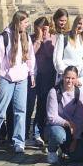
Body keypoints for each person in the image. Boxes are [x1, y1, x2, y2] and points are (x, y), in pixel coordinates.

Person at [0, 11, 36, 156]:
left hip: (22, 80)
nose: (27, 24)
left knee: (20, 112)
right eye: (25, 22)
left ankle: (19, 141)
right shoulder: (4, 37)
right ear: (18, 22)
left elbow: (30, 57)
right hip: (6, 79)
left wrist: (31, 74)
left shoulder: (26, 37)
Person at [45, 65, 83, 165]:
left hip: (72, 129)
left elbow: (79, 119)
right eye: (67, 77)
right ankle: (52, 150)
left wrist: (75, 139)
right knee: (58, 135)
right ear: (63, 77)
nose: (69, 81)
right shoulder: (54, 92)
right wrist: (67, 123)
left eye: (73, 78)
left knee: (78, 156)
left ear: (76, 79)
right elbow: (51, 117)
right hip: (55, 126)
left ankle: (64, 149)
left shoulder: (79, 93)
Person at [28, 16, 55, 149]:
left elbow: (51, 55)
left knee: (43, 104)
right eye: (38, 29)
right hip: (32, 76)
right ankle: (26, 132)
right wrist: (38, 40)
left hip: (47, 76)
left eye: (44, 29)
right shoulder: (31, 38)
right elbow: (29, 55)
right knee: (29, 104)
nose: (42, 31)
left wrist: (46, 40)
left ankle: (39, 132)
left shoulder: (52, 38)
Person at [53, 14, 83, 87]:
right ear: (75, 23)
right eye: (79, 23)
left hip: (78, 80)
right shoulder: (63, 37)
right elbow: (57, 58)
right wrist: (67, 75)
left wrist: (81, 79)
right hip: (65, 79)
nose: (81, 26)